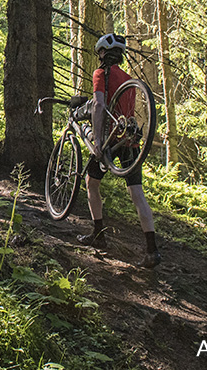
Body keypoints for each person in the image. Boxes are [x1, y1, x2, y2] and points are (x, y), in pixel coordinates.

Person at [74, 33, 162, 269]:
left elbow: (101, 105)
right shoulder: (128, 79)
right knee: (137, 194)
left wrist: (100, 142)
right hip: (129, 142)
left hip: (110, 140)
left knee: (92, 183)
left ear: (102, 53)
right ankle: (152, 250)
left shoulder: (101, 74)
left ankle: (98, 234)